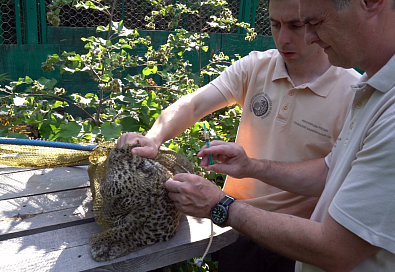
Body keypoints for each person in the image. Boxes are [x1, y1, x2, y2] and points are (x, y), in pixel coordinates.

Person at [118, 0, 360, 270]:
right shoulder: (256, 66)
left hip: (295, 240)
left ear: (318, 23)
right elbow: (194, 104)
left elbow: (332, 173)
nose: (283, 38)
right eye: (275, 24)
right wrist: (154, 137)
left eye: (296, 26)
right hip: (233, 224)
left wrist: (251, 168)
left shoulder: (354, 93)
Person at [163, 0, 395, 270]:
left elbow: (338, 249)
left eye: (315, 23)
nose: (311, 37)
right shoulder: (373, 90)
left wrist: (221, 206)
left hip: (289, 240)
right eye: (276, 25)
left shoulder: (383, 105)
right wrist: (251, 167)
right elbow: (329, 171)